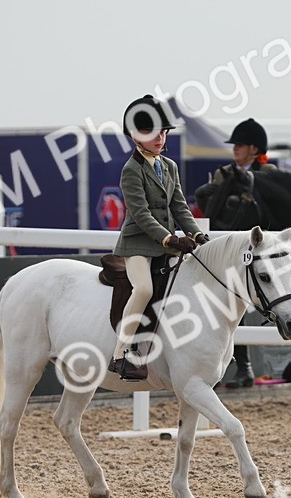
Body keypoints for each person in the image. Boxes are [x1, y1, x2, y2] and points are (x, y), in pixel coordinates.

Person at [108, 95, 207, 381]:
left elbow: (180, 207)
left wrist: (196, 233)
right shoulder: (131, 170)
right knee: (143, 290)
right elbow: (140, 214)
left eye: (163, 132)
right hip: (138, 244)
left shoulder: (170, 166)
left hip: (167, 243)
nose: (160, 138)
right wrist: (169, 240)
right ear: (135, 136)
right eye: (153, 133)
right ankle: (120, 354)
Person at [196, 118, 278, 387]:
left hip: (260, 249)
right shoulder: (223, 174)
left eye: (240, 145)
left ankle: (244, 366)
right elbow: (213, 212)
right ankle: (232, 366)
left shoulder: (269, 174)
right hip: (231, 249)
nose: (235, 149)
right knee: (225, 305)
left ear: (254, 149)